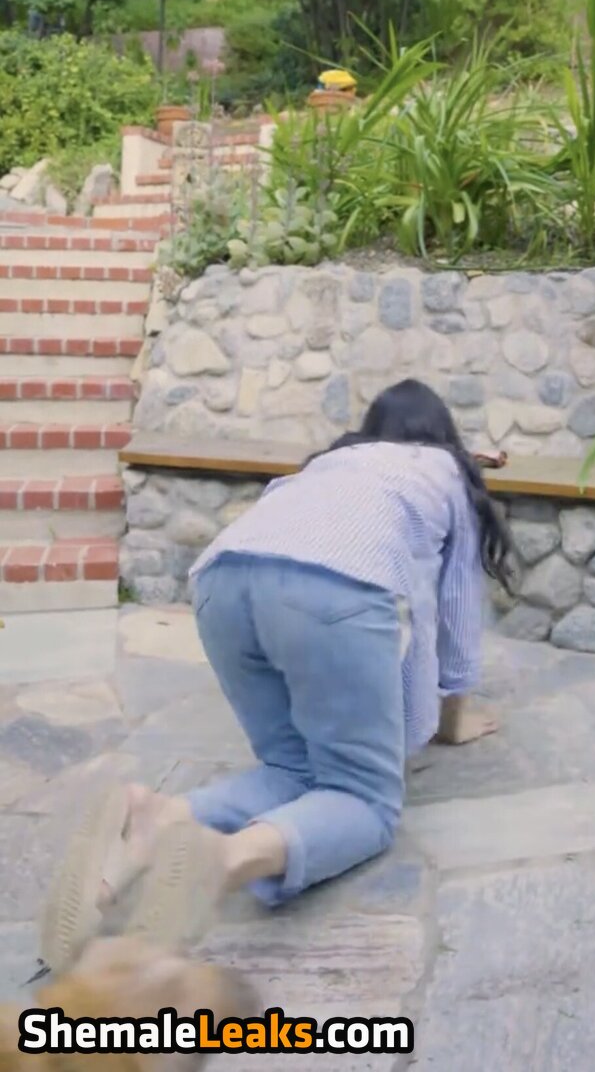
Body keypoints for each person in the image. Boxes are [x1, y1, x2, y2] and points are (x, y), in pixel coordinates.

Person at [94, 379, 516, 917]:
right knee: (364, 800)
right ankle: (224, 859)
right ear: (446, 434)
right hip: (329, 586)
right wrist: (449, 718)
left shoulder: (330, 463)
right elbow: (455, 612)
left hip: (221, 579)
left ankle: (164, 819)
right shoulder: (447, 471)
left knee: (293, 772)